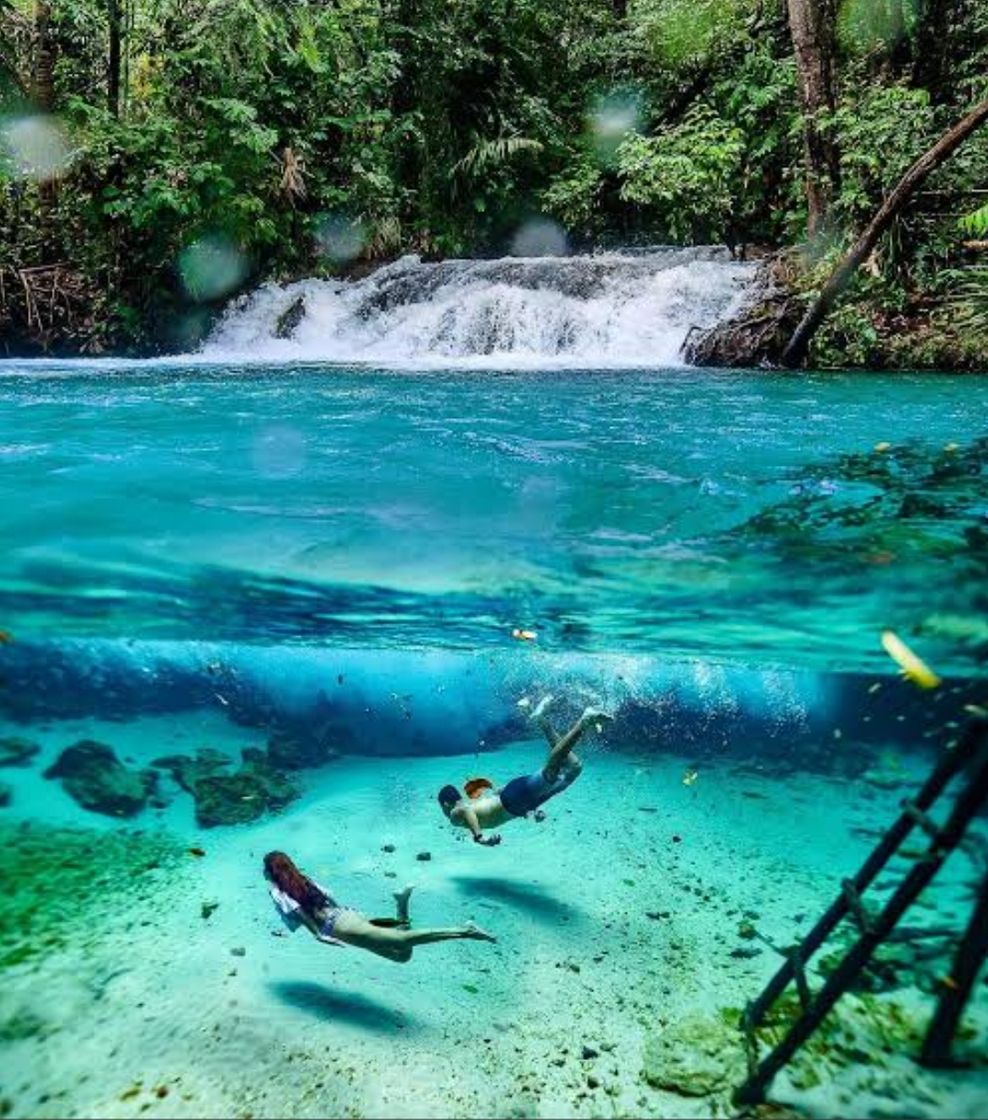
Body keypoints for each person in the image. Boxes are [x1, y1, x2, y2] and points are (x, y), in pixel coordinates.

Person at [437, 696, 612, 846]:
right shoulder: (474, 804)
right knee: (574, 768)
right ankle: (540, 719)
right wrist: (530, 811)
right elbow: (496, 794)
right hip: (519, 802)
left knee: (551, 770)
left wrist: (479, 837)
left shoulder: (455, 813)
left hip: (512, 800)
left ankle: (584, 722)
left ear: (446, 804)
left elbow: (466, 811)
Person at [263, 851, 495, 962]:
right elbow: (329, 897)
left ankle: (466, 931)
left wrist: (318, 935)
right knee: (402, 957)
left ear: (271, 871)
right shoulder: (302, 879)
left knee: (401, 941)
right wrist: (347, 914)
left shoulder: (277, 890)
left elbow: (298, 912)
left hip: (339, 926)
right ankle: (401, 903)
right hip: (344, 919)